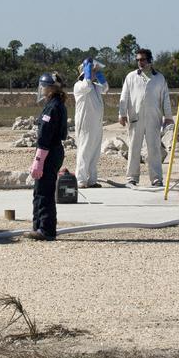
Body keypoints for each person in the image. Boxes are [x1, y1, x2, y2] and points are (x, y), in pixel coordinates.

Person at [117, 48, 173, 186]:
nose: (140, 62)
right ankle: (132, 178)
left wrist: (168, 116)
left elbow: (165, 98)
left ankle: (156, 179)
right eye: (138, 60)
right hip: (135, 117)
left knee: (153, 149)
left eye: (142, 59)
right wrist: (122, 114)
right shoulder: (131, 77)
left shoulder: (159, 78)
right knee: (134, 148)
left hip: (154, 118)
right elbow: (124, 96)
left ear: (149, 60)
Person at [27, 71, 68, 240]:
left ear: (51, 88)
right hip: (53, 150)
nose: (41, 89)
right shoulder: (56, 104)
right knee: (40, 190)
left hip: (49, 151)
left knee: (44, 191)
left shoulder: (52, 107)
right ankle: (38, 226)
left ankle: (46, 229)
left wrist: (39, 159)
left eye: (44, 86)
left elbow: (45, 134)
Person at [73, 59, 109, 188]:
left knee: (95, 152)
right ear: (86, 71)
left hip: (96, 124)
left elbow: (105, 88)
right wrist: (87, 70)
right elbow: (86, 85)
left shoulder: (95, 87)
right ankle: (81, 180)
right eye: (93, 70)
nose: (95, 72)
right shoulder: (79, 85)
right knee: (85, 151)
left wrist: (99, 75)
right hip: (85, 125)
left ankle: (92, 179)